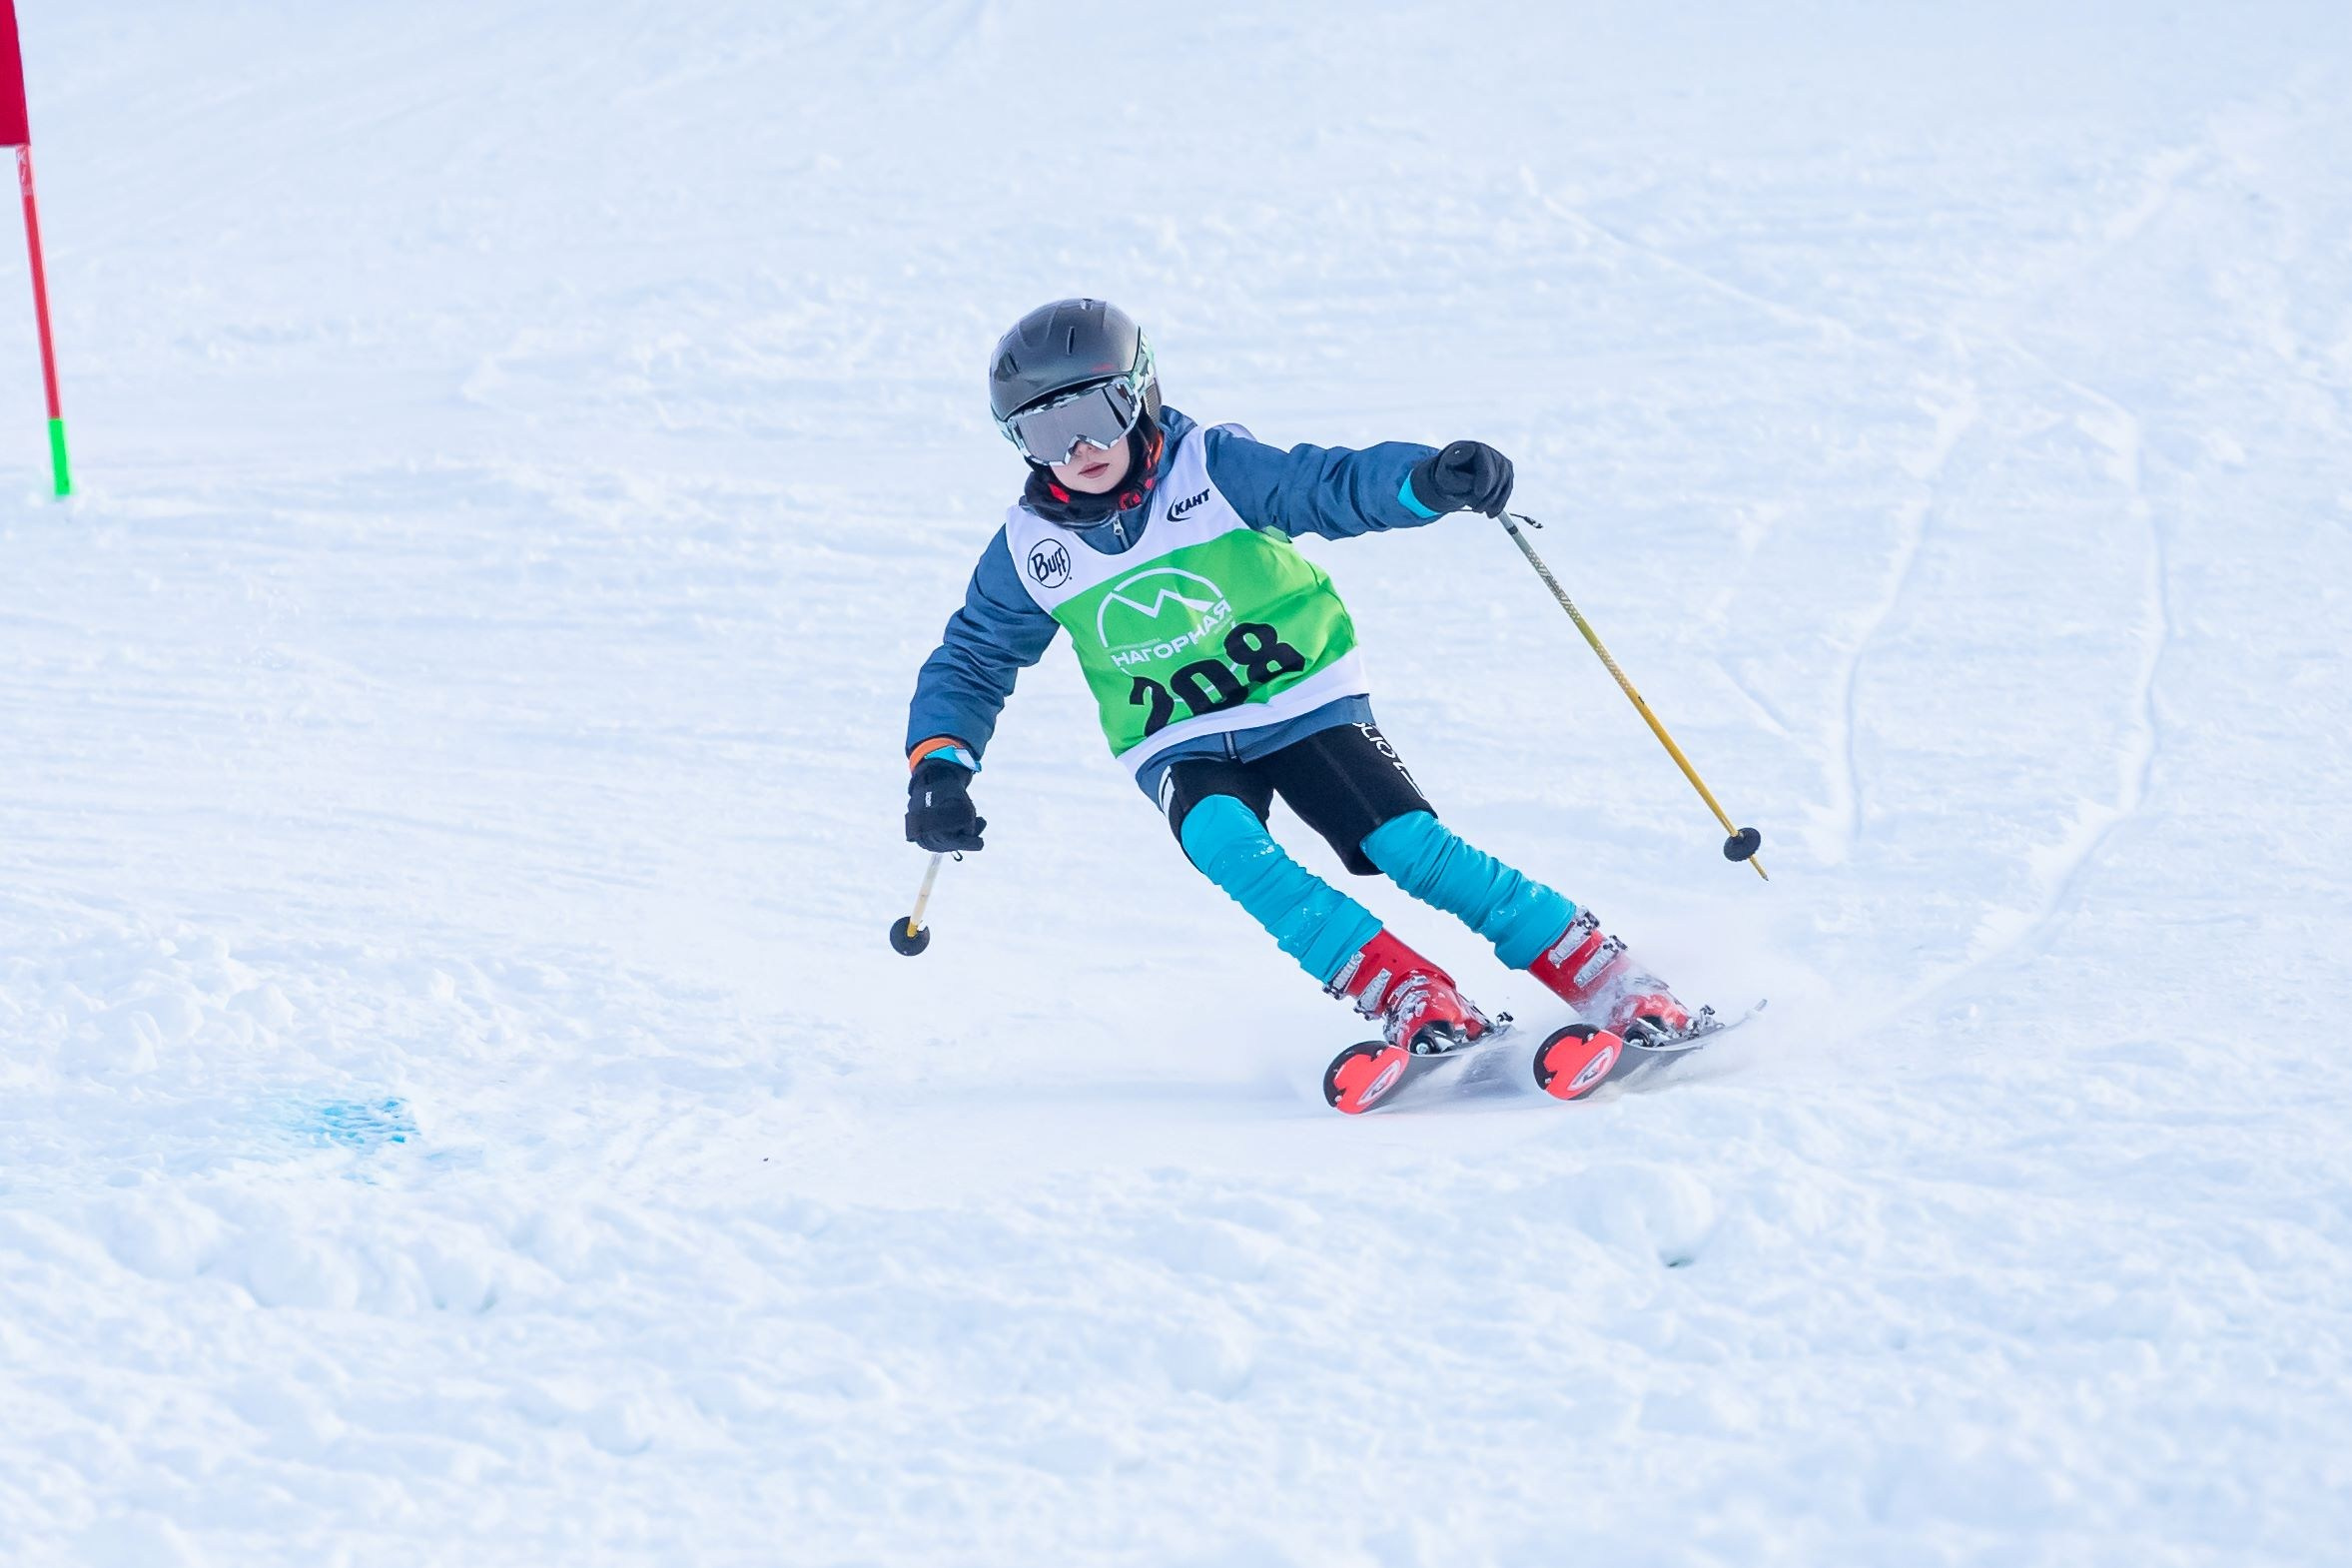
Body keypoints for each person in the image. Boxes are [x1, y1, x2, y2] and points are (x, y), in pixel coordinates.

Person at [904, 299, 1692, 1111]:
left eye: (1095, 414)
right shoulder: (1030, 551)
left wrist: (1423, 480)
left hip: (1301, 699)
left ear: (1139, 392)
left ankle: (1608, 978)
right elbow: (972, 658)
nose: (1079, 449)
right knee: (1224, 846)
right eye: (1042, 433)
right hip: (1176, 738)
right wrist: (939, 764)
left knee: (1405, 846)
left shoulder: (1211, 468)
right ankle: (1410, 995)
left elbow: (1326, 486)